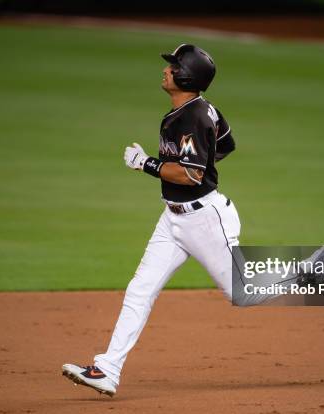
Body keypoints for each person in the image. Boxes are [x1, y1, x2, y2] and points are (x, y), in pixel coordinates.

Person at [61, 44, 240, 397]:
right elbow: (225, 144)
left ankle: (314, 269)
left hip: (204, 220)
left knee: (243, 292)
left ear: (186, 76)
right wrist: (202, 162)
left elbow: (189, 175)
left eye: (173, 66)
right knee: (139, 290)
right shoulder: (199, 110)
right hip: (172, 220)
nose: (166, 70)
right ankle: (107, 369)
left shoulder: (192, 116)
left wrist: (146, 163)